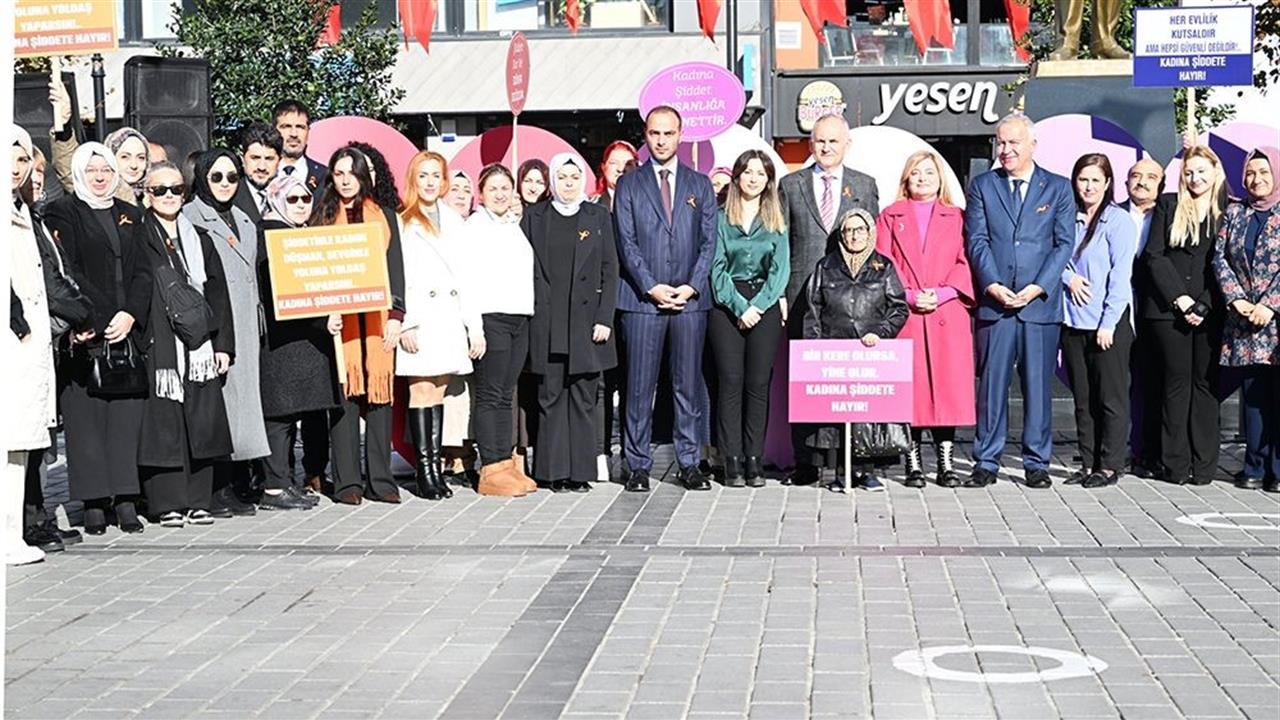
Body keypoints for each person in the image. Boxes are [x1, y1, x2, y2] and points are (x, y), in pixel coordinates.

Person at [44, 143, 153, 535]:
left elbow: (144, 271)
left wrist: (130, 315)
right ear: (78, 173)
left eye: (106, 169)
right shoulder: (63, 212)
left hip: (126, 332)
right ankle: (92, 500)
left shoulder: (132, 214)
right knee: (86, 418)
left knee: (125, 418)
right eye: (91, 170)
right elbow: (67, 270)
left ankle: (125, 497)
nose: (101, 176)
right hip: (86, 330)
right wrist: (104, 315)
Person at [965, 113, 1075, 489]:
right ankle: (986, 459)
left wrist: (1039, 286)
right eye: (1000, 142)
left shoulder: (1058, 188)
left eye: (1013, 143)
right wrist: (992, 284)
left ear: (1032, 145)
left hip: (1038, 305)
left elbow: (1063, 244)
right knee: (992, 386)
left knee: (1037, 387)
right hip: (995, 305)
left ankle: (1036, 461)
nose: (1006, 150)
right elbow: (976, 240)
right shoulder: (982, 186)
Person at [614, 106, 718, 492]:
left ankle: (689, 463)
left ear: (680, 135)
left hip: (691, 302)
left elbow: (709, 242)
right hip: (642, 301)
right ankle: (637, 465)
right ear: (645, 134)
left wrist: (692, 285)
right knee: (639, 388)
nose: (661, 140)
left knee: (687, 386)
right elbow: (626, 242)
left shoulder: (700, 184)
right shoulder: (629, 185)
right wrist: (651, 285)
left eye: (668, 133)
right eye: (655, 133)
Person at [778, 113, 879, 485]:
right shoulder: (790, 185)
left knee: (852, 385)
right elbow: (782, 245)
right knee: (807, 384)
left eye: (834, 141)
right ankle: (806, 463)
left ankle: (858, 465)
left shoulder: (864, 185)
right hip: (803, 299)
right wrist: (781, 296)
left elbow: (873, 242)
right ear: (811, 144)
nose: (826, 147)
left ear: (847, 145)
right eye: (820, 141)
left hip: (853, 303)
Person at [137, 162, 237, 526]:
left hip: (199, 347)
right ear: (147, 194)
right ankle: (166, 503)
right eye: (159, 190)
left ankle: (198, 499)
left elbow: (218, 293)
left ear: (185, 193)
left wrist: (223, 344)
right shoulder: (139, 236)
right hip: (159, 343)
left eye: (175, 189)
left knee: (201, 419)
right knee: (165, 421)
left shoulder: (201, 239)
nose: (168, 196)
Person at [875, 150, 974, 488]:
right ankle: (912, 461)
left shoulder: (957, 216)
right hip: (908, 313)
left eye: (929, 172)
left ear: (940, 178)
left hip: (947, 311)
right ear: (906, 178)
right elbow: (882, 264)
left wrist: (945, 293)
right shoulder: (889, 216)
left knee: (947, 390)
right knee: (912, 390)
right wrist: (910, 296)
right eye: (915, 172)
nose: (922, 178)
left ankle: (946, 461)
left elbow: (966, 261)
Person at [182, 149, 271, 515]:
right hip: (216, 325)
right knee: (217, 408)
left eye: (232, 177)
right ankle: (215, 488)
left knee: (242, 408)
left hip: (247, 326)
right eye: (216, 177)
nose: (224, 184)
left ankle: (235, 482)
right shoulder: (189, 218)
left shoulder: (244, 220)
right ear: (202, 178)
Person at [315, 147, 407, 504]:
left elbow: (396, 269)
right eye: (338, 174)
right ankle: (348, 483)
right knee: (345, 402)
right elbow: (315, 271)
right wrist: (325, 313)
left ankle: (381, 480)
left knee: (380, 400)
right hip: (340, 322)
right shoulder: (321, 215)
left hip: (379, 318)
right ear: (332, 178)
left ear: (363, 177)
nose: (345, 180)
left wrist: (397, 317)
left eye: (351, 173)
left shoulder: (384, 215)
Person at [523, 153, 619, 492]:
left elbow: (611, 270)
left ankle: (580, 472)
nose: (567, 184)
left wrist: (605, 317)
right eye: (561, 177)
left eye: (573, 177)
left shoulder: (597, 216)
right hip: (547, 323)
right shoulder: (535, 217)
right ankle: (551, 472)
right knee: (550, 397)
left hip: (587, 323)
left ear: (583, 181)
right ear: (552, 181)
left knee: (582, 397)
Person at [396, 150, 485, 500]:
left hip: (449, 317)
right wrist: (405, 323)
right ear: (413, 180)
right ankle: (425, 471)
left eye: (436, 175)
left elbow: (470, 279)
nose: (430, 182)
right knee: (421, 392)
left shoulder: (455, 221)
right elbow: (400, 277)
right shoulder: (404, 222)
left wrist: (474, 328)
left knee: (439, 393)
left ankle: (435, 469)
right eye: (424, 175)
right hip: (420, 318)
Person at [802, 208, 908, 491]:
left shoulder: (884, 266)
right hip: (833, 351)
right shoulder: (825, 267)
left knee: (868, 413)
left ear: (870, 232)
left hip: (870, 352)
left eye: (860, 229)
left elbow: (898, 308)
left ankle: (867, 472)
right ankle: (839, 473)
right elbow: (813, 310)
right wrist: (814, 352)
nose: (854, 235)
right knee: (836, 415)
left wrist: (881, 333)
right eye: (848, 230)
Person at [1142, 145, 1228, 486]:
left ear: (1215, 172)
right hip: (1168, 313)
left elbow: (1227, 263)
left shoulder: (1227, 212)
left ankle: (1204, 467)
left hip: (1212, 311)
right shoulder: (1168, 205)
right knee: (1176, 385)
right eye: (1189, 172)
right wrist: (1180, 300)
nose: (1195, 178)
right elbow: (1154, 256)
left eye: (1202, 171)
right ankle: (1175, 466)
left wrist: (1205, 304)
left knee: (1205, 385)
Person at [257, 173, 342, 509]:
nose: (301, 205)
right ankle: (274, 487)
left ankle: (284, 482)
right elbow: (281, 294)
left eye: (306, 199)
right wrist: (322, 319)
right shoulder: (270, 236)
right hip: (283, 343)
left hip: (303, 340)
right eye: (292, 199)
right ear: (277, 200)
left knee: (290, 417)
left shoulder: (298, 234)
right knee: (278, 417)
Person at [708, 150, 789, 488]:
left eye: (760, 173)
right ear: (737, 176)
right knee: (729, 382)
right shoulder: (719, 217)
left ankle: (754, 459)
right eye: (747, 172)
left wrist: (760, 305)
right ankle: (731, 459)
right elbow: (716, 267)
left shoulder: (776, 219)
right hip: (727, 304)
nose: (753, 179)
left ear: (768, 180)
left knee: (758, 384)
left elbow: (780, 268)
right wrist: (740, 306)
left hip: (765, 303)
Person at [1060, 154, 1136, 489]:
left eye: (1095, 180)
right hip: (1073, 323)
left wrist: (1108, 323)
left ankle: (1109, 465)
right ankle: (1087, 460)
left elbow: (1121, 277)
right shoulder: (1068, 219)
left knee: (1110, 399)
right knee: (1083, 399)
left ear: (1107, 183)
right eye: (1082, 179)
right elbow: (1053, 256)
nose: (1088, 186)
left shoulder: (1118, 222)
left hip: (1108, 325)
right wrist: (1069, 279)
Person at [462, 163, 537, 496]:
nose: (500, 194)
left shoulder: (512, 225)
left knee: (507, 394)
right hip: (491, 319)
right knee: (490, 396)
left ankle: (506, 463)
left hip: (519, 318)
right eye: (493, 189)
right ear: (482, 194)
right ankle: (490, 468)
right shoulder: (475, 227)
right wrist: (474, 328)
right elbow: (467, 280)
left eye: (505, 188)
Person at [1213, 147, 1280, 492]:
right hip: (1246, 323)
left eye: (1264, 172)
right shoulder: (1234, 213)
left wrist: (1270, 303)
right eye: (1251, 173)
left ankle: (1278, 471)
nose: (1257, 180)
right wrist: (1237, 298)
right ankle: (1254, 466)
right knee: (1253, 399)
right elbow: (1219, 258)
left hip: (1276, 321)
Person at [6, 127, 57, 564]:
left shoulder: (22, 210)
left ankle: (10, 534)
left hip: (28, 344)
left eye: (23, 159)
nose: (16, 168)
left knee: (19, 442)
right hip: (12, 342)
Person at [1122, 158, 1166, 479]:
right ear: (1125, 183)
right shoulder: (1111, 214)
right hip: (1118, 311)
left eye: (1151, 177)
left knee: (1153, 384)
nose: (1142, 182)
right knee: (1120, 385)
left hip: (1158, 311)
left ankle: (1150, 452)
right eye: (1136, 176)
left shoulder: (1170, 214)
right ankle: (1122, 449)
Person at [233, 122, 283, 222]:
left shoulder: (290, 196)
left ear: (279, 161)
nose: (262, 167)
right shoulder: (230, 195)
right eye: (255, 158)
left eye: (269, 159)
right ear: (242, 159)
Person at [274, 98, 327, 192]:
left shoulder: (325, 176)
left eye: (300, 127)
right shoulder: (262, 172)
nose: (294, 134)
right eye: (286, 126)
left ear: (308, 131)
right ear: (274, 130)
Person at [595, 140, 639, 210]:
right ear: (603, 167)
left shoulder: (648, 204)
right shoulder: (591, 207)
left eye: (628, 164)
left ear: (637, 168)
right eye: (614, 163)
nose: (620, 169)